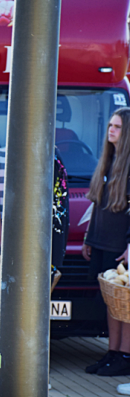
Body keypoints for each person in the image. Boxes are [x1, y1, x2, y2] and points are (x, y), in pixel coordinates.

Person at [0, 146, 70, 371]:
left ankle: (23, 356)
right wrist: (6, 240)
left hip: (34, 245)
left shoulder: (46, 155)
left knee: (28, 299)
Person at [82, 107, 130, 377]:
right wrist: (89, 238)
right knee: (112, 302)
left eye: (118, 127)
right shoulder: (107, 161)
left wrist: (129, 246)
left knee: (125, 303)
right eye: (110, 125)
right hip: (100, 242)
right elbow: (96, 206)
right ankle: (112, 352)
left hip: (120, 247)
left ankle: (125, 354)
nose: (111, 130)